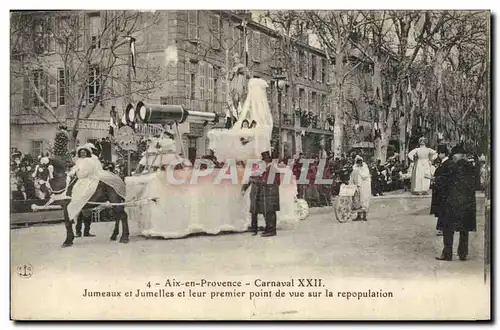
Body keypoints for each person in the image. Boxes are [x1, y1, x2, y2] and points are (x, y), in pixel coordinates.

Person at [436, 144, 476, 261]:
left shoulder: (450, 167)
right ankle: (463, 254)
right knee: (464, 230)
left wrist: (436, 180)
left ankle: (447, 254)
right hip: (467, 203)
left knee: (448, 229)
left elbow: (443, 182)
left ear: (455, 156)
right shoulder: (471, 167)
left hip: (451, 203)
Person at [242, 151, 280, 237]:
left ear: (266, 161)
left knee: (270, 212)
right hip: (270, 193)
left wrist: (254, 181)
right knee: (267, 212)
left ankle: (271, 230)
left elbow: (266, 182)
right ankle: (268, 229)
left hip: (270, 193)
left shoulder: (271, 169)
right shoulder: (268, 169)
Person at [430, 144, 453, 237]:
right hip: (441, 190)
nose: (438, 155)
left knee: (443, 210)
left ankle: (442, 228)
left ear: (443, 154)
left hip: (443, 191)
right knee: (442, 210)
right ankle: (441, 228)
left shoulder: (447, 164)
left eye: (439, 153)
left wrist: (436, 179)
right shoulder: (444, 163)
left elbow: (446, 177)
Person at [350, 155, 371, 221]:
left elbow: (365, 175)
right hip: (358, 186)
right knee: (357, 201)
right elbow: (352, 176)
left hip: (365, 186)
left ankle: (364, 216)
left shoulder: (365, 167)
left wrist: (359, 172)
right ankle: (358, 216)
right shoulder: (355, 167)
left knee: (364, 200)